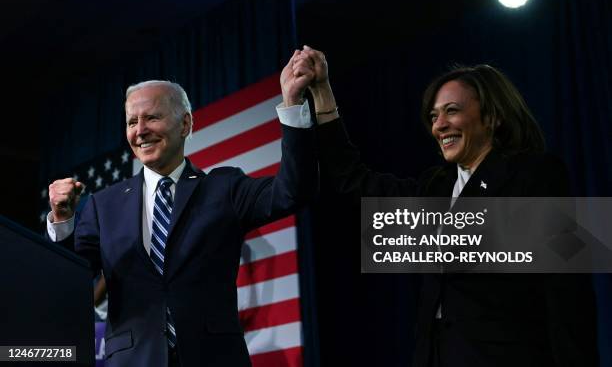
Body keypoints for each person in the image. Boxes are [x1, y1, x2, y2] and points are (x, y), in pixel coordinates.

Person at [283, 46, 598, 366]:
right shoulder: (435, 187)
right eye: (434, 116)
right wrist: (321, 93)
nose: (439, 125)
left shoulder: (534, 174)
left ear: (493, 116)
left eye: (452, 110)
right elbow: (353, 180)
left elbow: (567, 293)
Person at [46, 50, 318, 367]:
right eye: (132, 121)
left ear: (185, 123)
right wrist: (63, 219)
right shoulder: (104, 204)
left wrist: (293, 104)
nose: (140, 130)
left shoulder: (224, 187)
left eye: (152, 117)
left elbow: (293, 192)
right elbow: (69, 278)